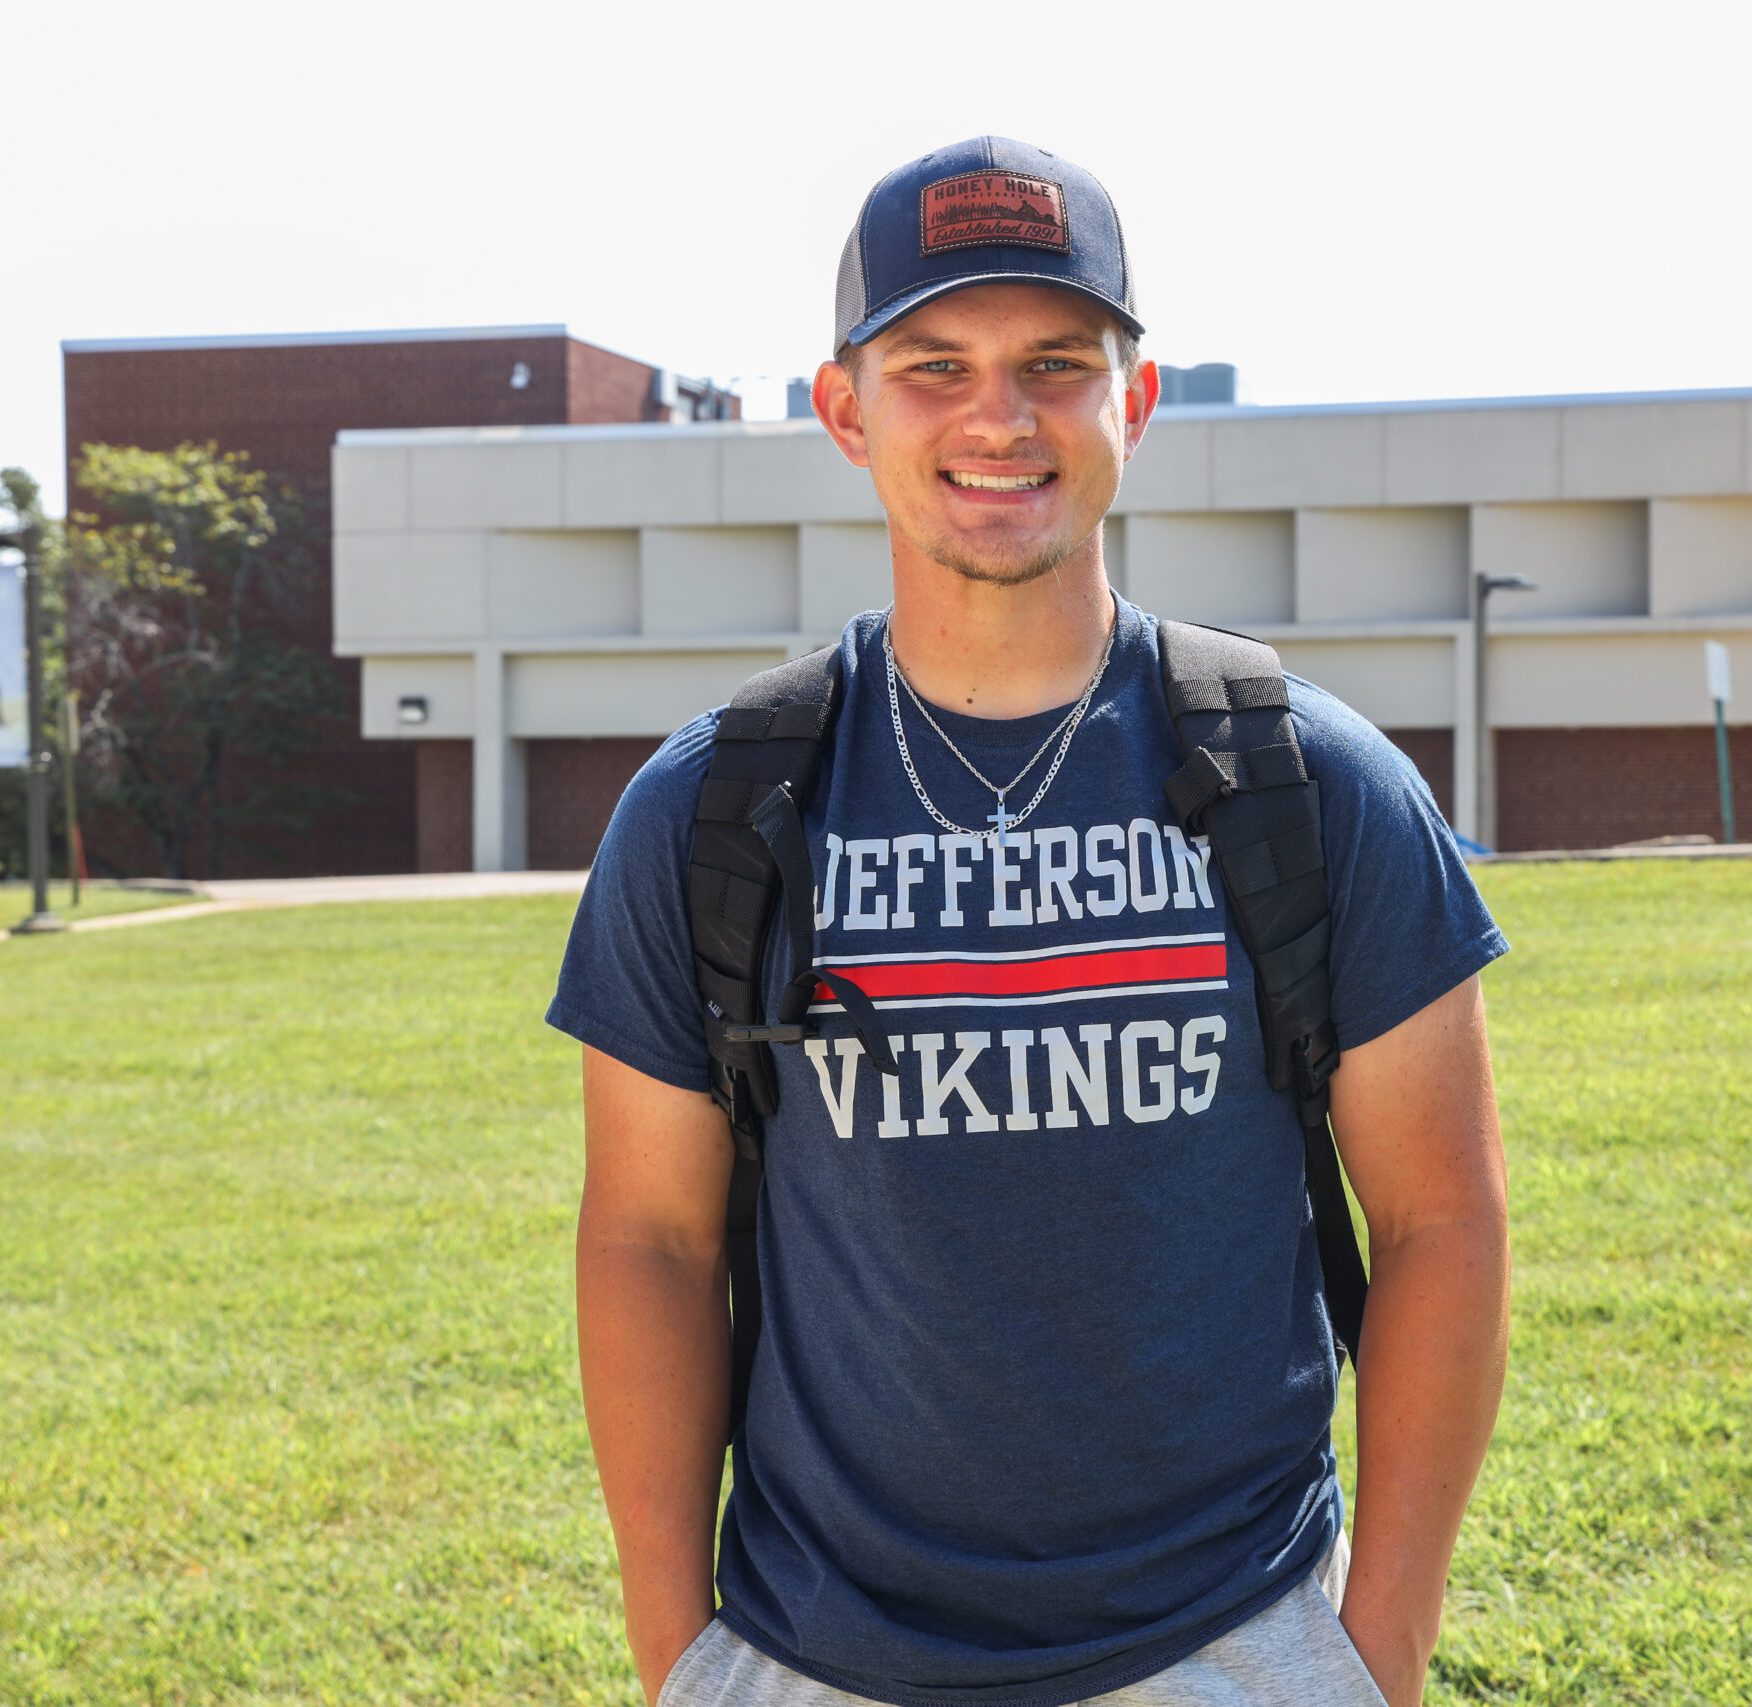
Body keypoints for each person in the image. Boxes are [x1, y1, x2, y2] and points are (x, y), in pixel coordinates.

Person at [551, 137, 1511, 1707]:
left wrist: (1373, 1650)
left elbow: (1440, 1225)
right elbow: (649, 1239)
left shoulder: (1312, 783)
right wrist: (683, 1659)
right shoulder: (712, 810)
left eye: (1056, 364)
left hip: (1234, 1640)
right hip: (813, 1654)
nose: (999, 416)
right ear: (845, 411)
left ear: (1134, 404)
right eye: (935, 365)